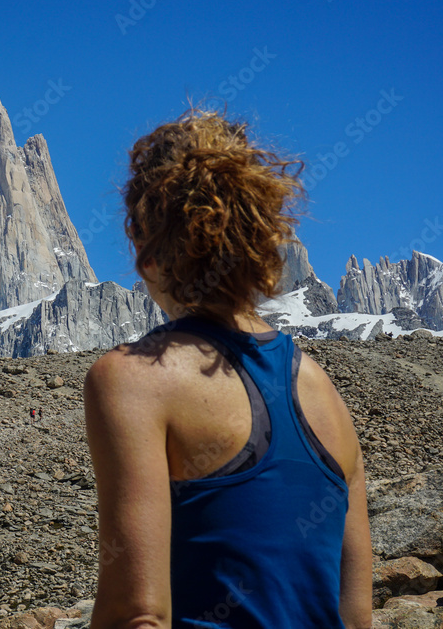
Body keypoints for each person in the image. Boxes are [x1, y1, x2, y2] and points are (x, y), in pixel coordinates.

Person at [83, 109, 371, 627]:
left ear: (148, 255)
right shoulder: (322, 391)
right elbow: (355, 615)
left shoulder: (134, 379)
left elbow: (138, 613)